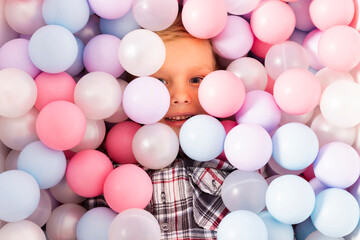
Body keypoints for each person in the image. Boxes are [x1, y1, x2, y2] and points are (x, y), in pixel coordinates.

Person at [143, 15, 235, 239]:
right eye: (160, 81)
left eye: (196, 80)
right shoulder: (109, 173)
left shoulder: (235, 159)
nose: (180, 97)